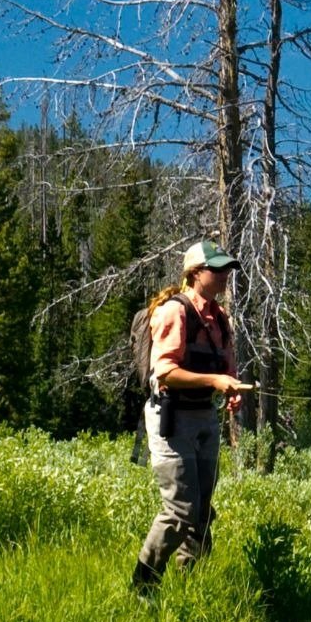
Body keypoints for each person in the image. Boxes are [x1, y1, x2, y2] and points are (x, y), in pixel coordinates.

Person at [133, 239, 253, 589]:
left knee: (201, 512)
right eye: (217, 269)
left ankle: (191, 587)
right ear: (196, 273)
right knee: (180, 512)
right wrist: (215, 380)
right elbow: (165, 372)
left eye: (226, 268)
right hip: (171, 419)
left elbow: (226, 366)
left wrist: (233, 392)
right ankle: (144, 584)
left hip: (204, 418)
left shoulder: (221, 319)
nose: (224, 275)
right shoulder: (174, 311)